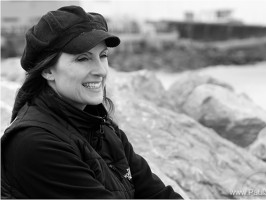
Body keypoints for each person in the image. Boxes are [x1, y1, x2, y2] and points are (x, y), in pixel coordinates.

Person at [1, 5, 183, 199]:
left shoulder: (102, 127)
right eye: (82, 59)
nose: (101, 70)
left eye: (103, 56)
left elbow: (158, 194)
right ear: (47, 70)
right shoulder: (36, 144)